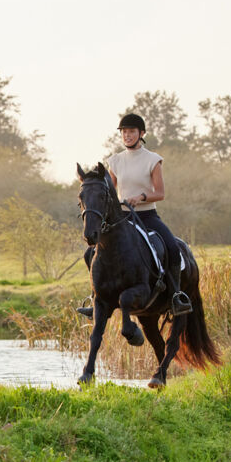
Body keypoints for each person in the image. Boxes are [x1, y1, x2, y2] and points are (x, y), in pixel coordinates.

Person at [78, 113, 192, 318]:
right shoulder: (114, 161)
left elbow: (160, 193)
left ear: (141, 134)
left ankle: (176, 295)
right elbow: (109, 194)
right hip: (122, 219)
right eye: (124, 132)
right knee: (90, 253)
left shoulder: (153, 160)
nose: (127, 135)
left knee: (173, 247)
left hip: (147, 216)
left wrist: (140, 197)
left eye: (131, 132)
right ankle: (95, 297)